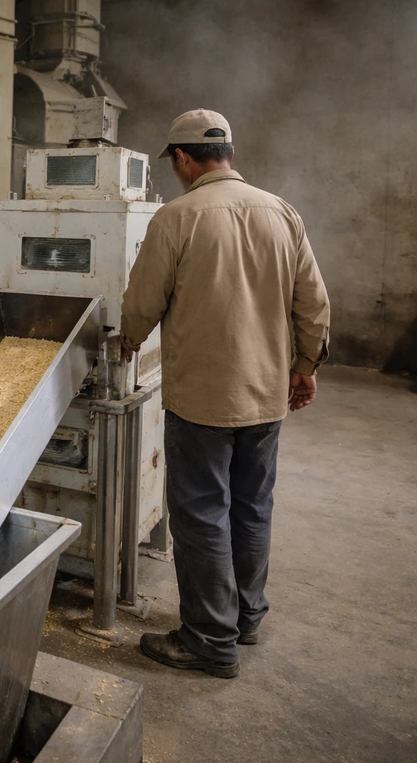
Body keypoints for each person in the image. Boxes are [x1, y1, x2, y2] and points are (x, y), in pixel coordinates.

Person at [120, 109, 331, 679]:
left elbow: (142, 302)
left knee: (202, 514)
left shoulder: (177, 217)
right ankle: (245, 618)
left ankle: (209, 640)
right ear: (228, 154)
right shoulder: (282, 212)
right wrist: (306, 365)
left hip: (203, 398)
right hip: (265, 394)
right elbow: (312, 302)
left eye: (175, 164)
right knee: (253, 506)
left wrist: (125, 343)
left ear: (184, 159)